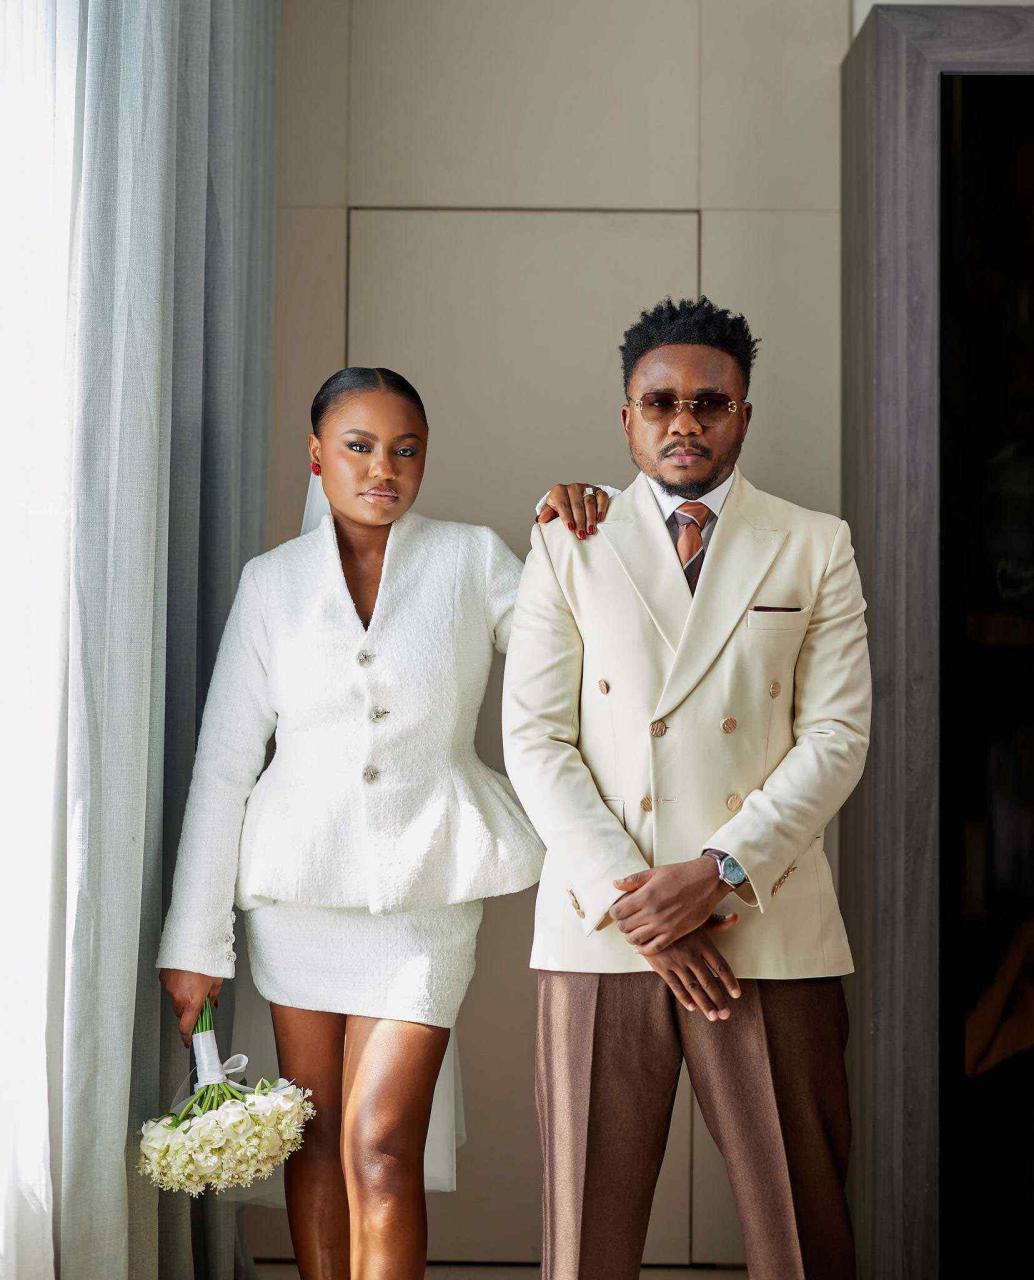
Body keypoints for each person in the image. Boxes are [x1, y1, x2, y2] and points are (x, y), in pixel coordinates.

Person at [156, 366, 596, 1280]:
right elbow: (225, 763)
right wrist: (194, 940)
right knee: (314, 1140)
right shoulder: (272, 583)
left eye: (406, 450)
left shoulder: (472, 559)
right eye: (358, 446)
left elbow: (576, 639)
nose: (383, 468)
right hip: (297, 895)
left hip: (429, 888)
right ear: (317, 455)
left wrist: (578, 528)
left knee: (382, 1143)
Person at [503, 296, 873, 1280]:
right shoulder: (567, 539)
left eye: (709, 403)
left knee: (801, 1237)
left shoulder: (813, 542)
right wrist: (640, 903)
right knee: (585, 1243)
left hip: (765, 923)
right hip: (603, 927)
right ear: (626, 416)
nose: (684, 421)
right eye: (660, 402)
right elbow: (534, 739)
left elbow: (836, 736)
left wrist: (713, 872)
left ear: (743, 415)